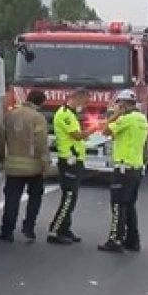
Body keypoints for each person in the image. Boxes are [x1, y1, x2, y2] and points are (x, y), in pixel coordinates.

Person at [98, 89, 148, 253]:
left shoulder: (126, 119)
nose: (117, 106)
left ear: (125, 104)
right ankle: (132, 240)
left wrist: (115, 115)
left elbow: (105, 130)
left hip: (123, 168)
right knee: (129, 205)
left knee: (118, 205)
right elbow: (122, 137)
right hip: (136, 167)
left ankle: (115, 239)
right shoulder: (142, 119)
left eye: (119, 104)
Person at [0, 89, 49, 242]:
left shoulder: (11, 115)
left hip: (13, 167)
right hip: (34, 167)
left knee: (12, 199)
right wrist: (45, 162)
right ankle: (28, 227)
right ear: (41, 103)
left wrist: (1, 157)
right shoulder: (38, 118)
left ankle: (7, 231)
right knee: (35, 197)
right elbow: (41, 143)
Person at [48, 88, 93, 244]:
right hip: (69, 161)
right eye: (85, 101)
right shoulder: (65, 114)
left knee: (72, 198)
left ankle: (65, 228)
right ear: (77, 98)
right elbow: (76, 135)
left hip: (75, 160)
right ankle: (55, 231)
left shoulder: (71, 114)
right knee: (68, 198)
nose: (85, 105)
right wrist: (92, 130)